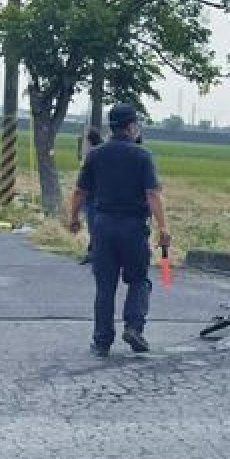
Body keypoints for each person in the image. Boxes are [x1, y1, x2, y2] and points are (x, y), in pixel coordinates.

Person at [68, 104, 170, 358]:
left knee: (105, 286)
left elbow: (80, 191)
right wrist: (163, 227)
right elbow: (152, 194)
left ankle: (102, 340)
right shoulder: (142, 156)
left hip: (102, 226)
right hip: (133, 226)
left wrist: (73, 218)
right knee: (138, 279)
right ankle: (134, 327)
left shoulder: (95, 155)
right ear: (131, 126)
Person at [78, 128, 104, 266]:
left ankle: (95, 254)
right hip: (94, 197)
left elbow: (81, 187)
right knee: (94, 228)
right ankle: (93, 252)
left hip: (94, 197)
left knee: (94, 228)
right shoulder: (97, 153)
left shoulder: (94, 155)